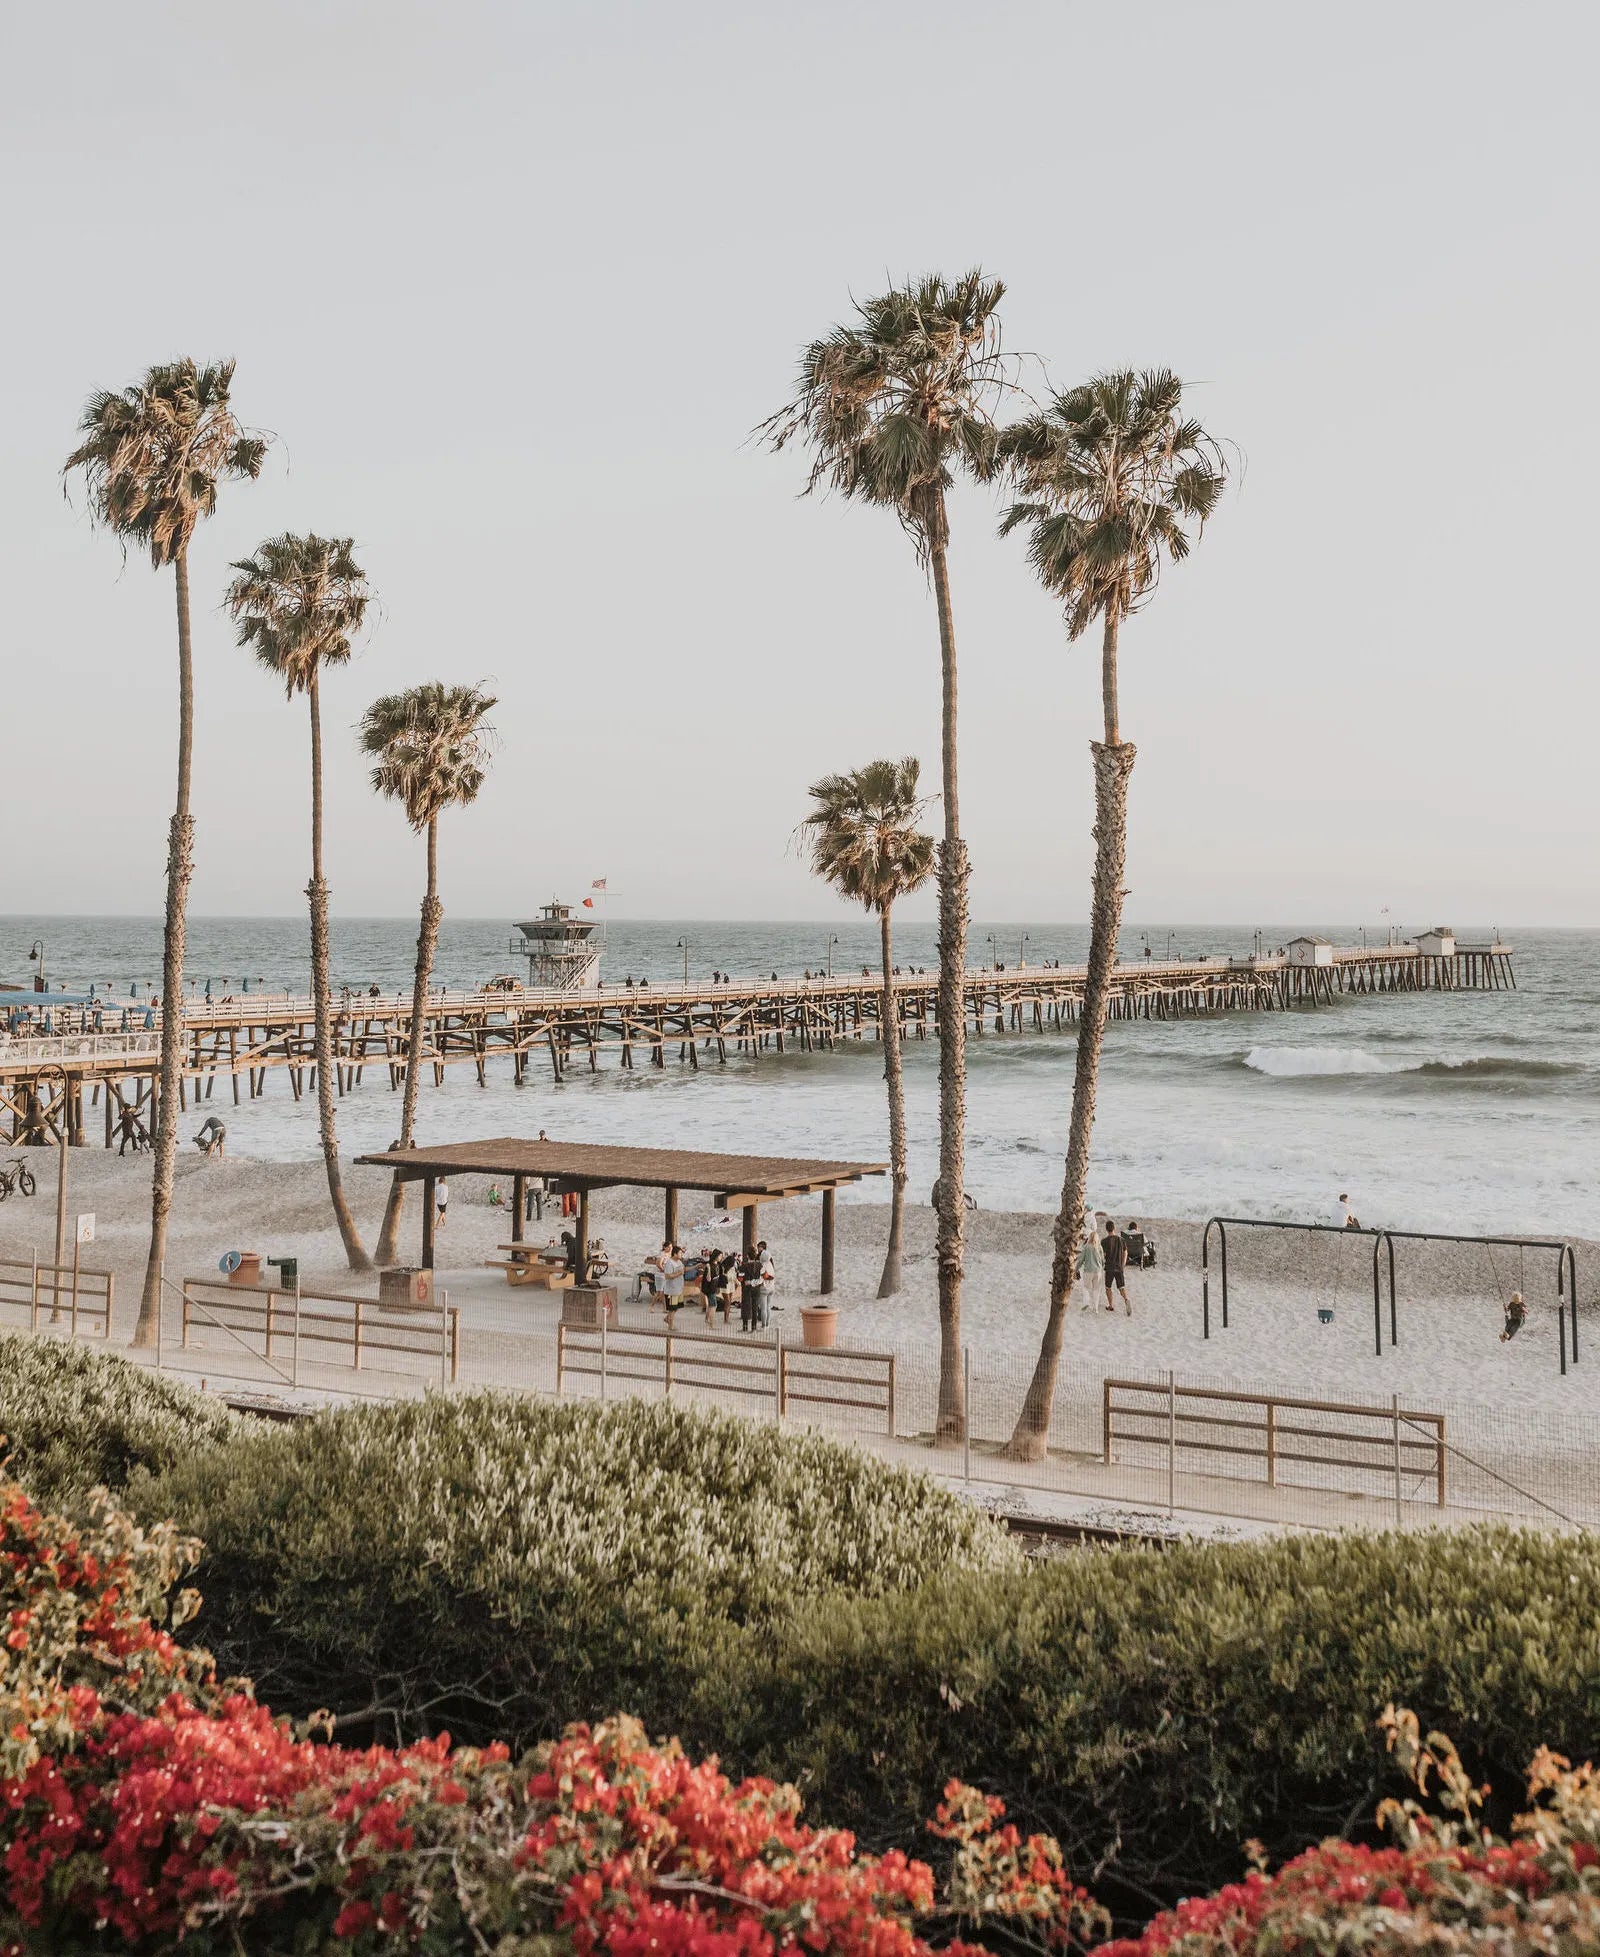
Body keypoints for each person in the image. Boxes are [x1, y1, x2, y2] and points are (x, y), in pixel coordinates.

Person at [1102, 1218, 1131, 1314]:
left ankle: (1110, 1305)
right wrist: (1123, 1264)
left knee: (1108, 1287)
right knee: (1121, 1287)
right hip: (1119, 1267)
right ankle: (1126, 1299)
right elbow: (1125, 1252)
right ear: (1114, 1228)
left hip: (1109, 1268)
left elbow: (1104, 1255)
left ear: (1107, 1229)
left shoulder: (1104, 1241)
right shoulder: (1121, 1240)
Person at [1074, 1214, 1102, 1309]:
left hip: (1088, 1270)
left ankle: (1086, 1302)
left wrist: (1076, 1269)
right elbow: (1102, 1259)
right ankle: (1096, 1307)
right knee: (1096, 1289)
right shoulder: (1099, 1247)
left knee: (1086, 1288)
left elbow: (1081, 1260)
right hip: (1097, 1271)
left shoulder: (1086, 1247)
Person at [659, 1242, 685, 1316]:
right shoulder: (669, 1263)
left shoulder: (679, 1261)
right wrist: (679, 1274)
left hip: (678, 1288)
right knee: (672, 1309)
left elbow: (684, 1269)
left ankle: (667, 1319)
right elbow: (667, 1276)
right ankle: (670, 1326)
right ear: (675, 1254)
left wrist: (696, 1266)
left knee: (676, 1308)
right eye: (680, 1253)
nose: (681, 1255)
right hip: (672, 1290)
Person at [756, 1241, 776, 1328]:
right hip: (772, 1287)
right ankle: (768, 1324)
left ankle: (764, 1325)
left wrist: (752, 1283)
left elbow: (762, 1278)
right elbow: (772, 1276)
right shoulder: (771, 1265)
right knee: (768, 1307)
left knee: (763, 1308)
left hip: (764, 1288)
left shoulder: (762, 1266)